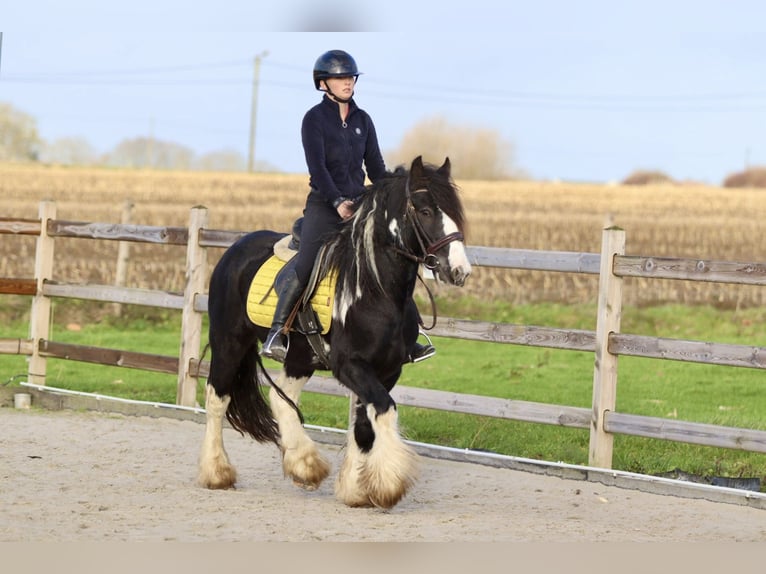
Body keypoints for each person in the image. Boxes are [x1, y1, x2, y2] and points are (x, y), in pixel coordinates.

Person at [261, 49, 435, 364]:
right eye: (340, 77)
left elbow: (377, 169)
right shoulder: (314, 119)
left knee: (392, 259)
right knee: (308, 262)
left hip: (361, 204)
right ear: (323, 83)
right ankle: (278, 331)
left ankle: (409, 336)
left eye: (350, 77)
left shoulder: (363, 120)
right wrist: (337, 201)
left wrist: (400, 192)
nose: (347, 82)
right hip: (324, 205)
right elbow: (318, 169)